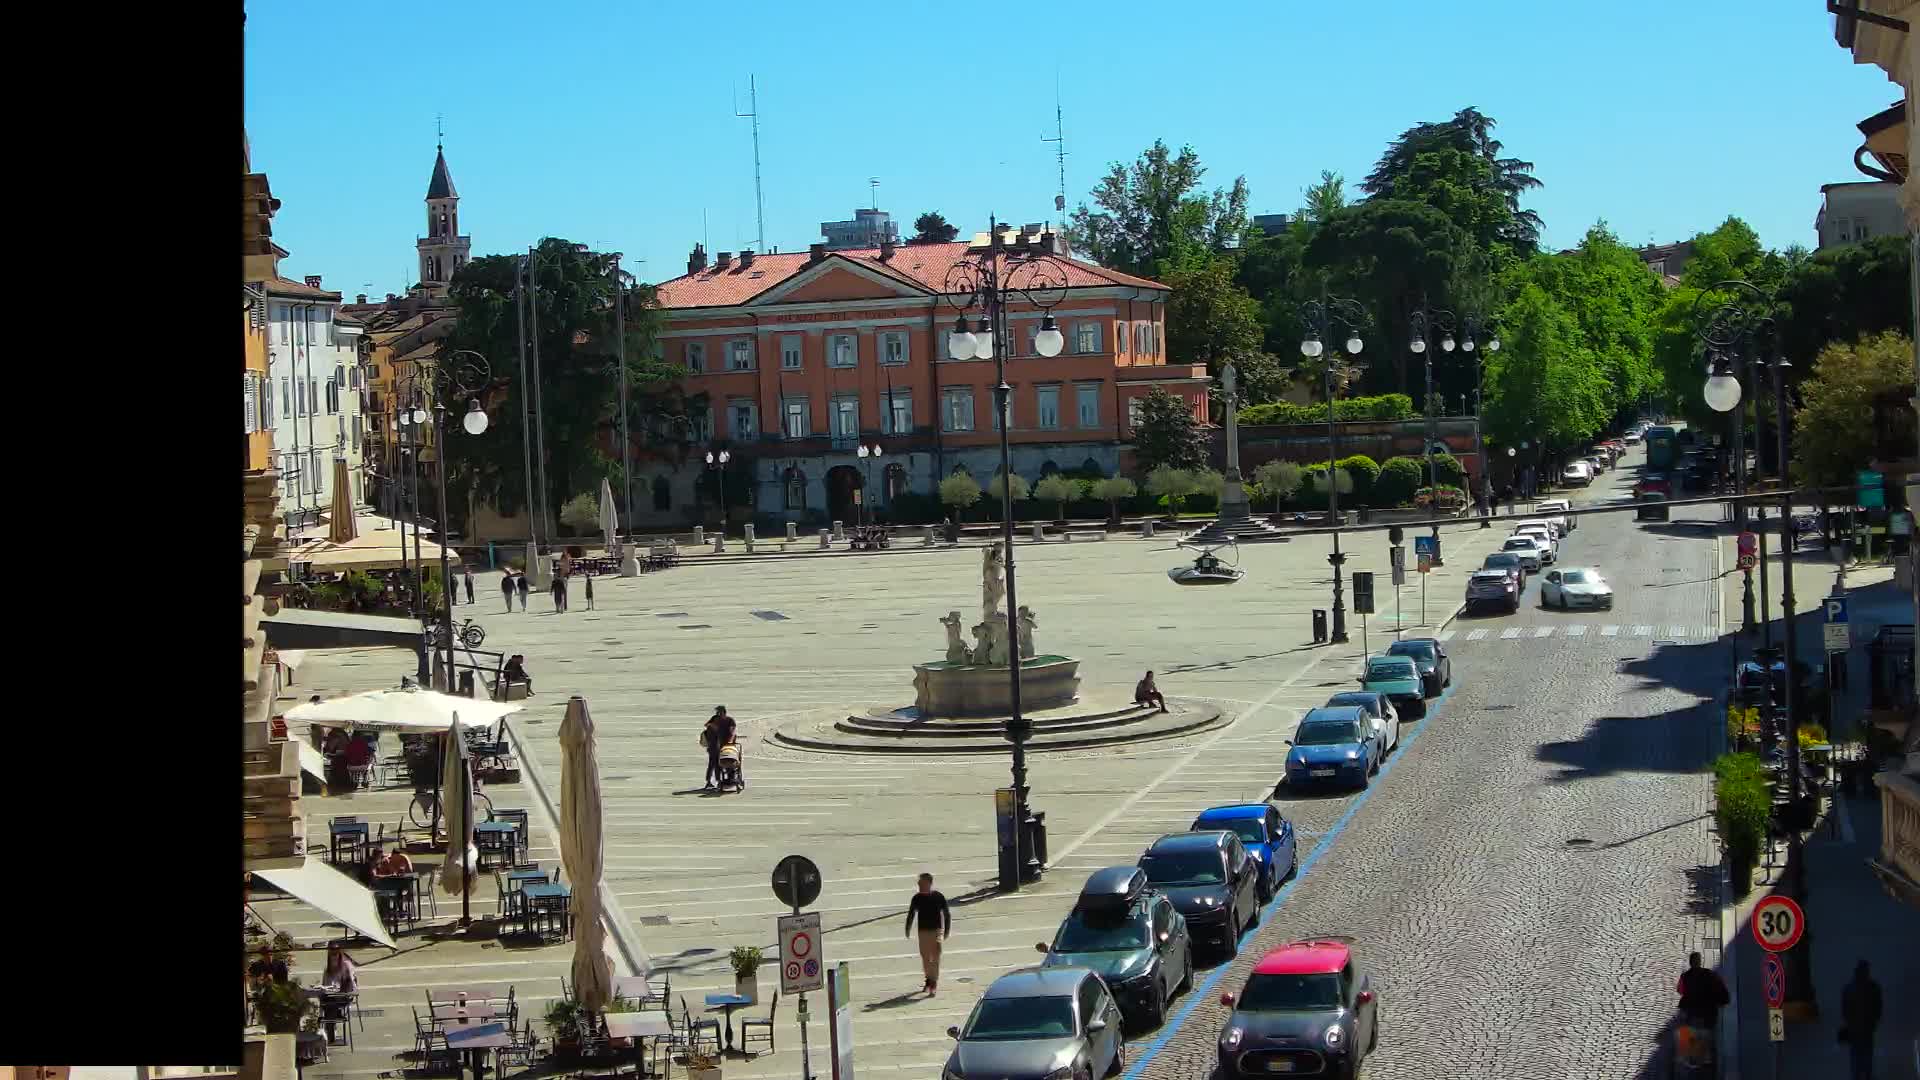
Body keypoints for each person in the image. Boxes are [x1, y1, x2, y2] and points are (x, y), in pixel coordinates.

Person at [904, 873, 951, 995]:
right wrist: (907, 928)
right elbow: (911, 914)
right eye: (918, 883)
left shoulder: (938, 897)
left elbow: (946, 914)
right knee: (925, 959)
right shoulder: (916, 898)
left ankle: (933, 982)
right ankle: (928, 979)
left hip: (936, 931)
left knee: (935, 956)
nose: (919, 885)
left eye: (921, 883)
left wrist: (946, 931)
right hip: (923, 932)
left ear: (929, 883)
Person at [1839, 959, 1883, 1080]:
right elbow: (1878, 1007)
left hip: (1855, 1027)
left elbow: (1845, 1008)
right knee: (1866, 1053)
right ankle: (1866, 1075)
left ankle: (1857, 1075)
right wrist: (1874, 1021)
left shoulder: (1849, 988)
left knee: (1856, 1054)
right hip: (1867, 1027)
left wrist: (1848, 1021)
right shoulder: (1873, 988)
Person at [1675, 951, 1729, 1029]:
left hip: (1692, 1013)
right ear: (1700, 962)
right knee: (1707, 1034)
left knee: (1692, 1035)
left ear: (1690, 962)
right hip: (1708, 1012)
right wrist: (1723, 1001)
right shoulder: (1710, 974)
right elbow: (1721, 988)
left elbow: (1680, 990)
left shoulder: (1685, 976)